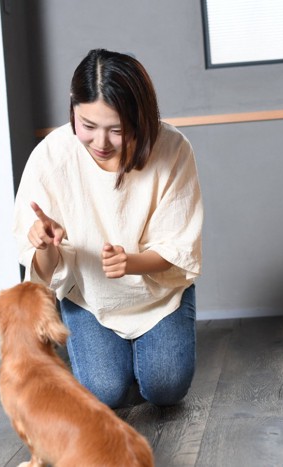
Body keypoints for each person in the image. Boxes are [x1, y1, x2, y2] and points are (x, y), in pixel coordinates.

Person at [12, 48, 203, 409]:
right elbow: (42, 274)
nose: (100, 143)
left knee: (166, 389)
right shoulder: (51, 157)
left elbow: (178, 246)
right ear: (73, 110)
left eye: (117, 129)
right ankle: (113, 362)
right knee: (105, 394)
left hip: (157, 294)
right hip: (90, 297)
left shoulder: (173, 149)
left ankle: (147, 356)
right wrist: (44, 244)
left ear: (141, 117)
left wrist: (131, 263)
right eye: (87, 126)